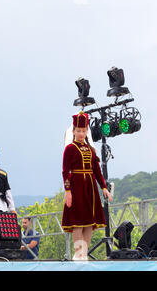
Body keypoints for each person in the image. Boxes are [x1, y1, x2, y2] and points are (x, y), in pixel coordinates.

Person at [61, 111, 112, 261]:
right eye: (78, 131)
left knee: (90, 222)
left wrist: (103, 187)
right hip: (76, 185)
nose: (81, 133)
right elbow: (65, 171)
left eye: (83, 131)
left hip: (90, 187)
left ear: (86, 132)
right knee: (78, 221)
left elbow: (97, 170)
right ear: (74, 131)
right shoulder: (69, 148)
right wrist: (68, 190)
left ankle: (84, 254)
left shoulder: (91, 149)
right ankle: (78, 254)